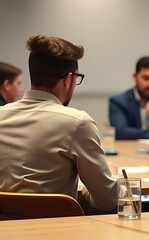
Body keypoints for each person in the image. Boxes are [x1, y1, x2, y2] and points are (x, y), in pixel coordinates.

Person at [0, 34, 119, 211]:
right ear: (68, 79)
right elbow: (108, 200)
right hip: (56, 231)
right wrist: (111, 174)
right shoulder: (77, 123)